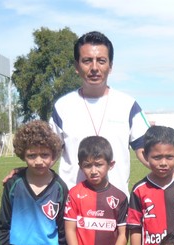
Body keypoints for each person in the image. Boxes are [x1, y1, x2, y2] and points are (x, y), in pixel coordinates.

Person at [49, 31, 150, 195]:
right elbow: (48, 154)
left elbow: (147, 150)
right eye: (87, 61)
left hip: (115, 204)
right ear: (76, 66)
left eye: (101, 61)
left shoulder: (127, 104)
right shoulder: (63, 106)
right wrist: (25, 173)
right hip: (73, 205)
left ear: (110, 66)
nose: (94, 68)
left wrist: (173, 172)